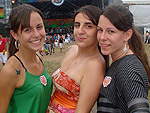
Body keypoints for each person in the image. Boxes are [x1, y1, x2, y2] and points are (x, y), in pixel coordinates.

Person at [47, 5, 107, 113]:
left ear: (99, 31)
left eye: (88, 26)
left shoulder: (95, 65)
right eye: (77, 25)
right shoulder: (71, 50)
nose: (80, 31)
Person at [97, 4, 150, 113]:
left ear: (127, 35)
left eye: (110, 31)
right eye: (100, 30)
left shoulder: (128, 69)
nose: (102, 37)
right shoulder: (120, 63)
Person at [0, 4, 53, 113]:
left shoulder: (39, 57)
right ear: (14, 34)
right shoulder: (11, 71)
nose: (36, 34)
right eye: (27, 30)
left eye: (39, 27)